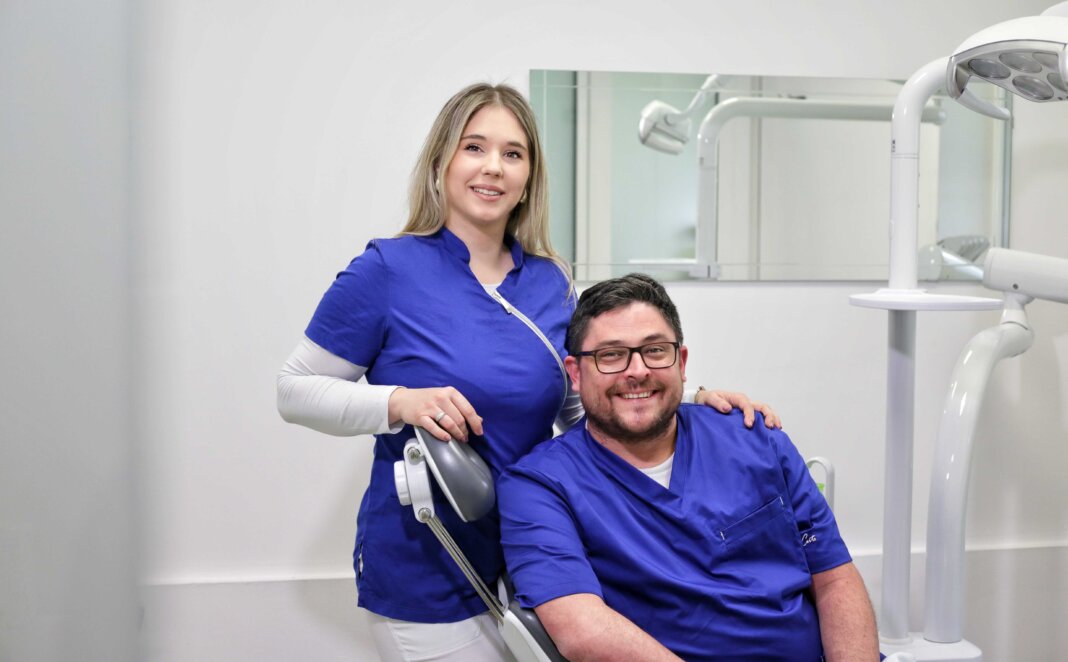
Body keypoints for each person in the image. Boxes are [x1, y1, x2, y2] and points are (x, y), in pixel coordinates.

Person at [276, 83, 781, 662]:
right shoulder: (387, 271)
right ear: (441, 161)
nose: (493, 167)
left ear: (529, 176)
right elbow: (293, 390)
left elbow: (582, 403)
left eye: (513, 153)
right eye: (474, 147)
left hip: (536, 556)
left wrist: (690, 402)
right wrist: (399, 402)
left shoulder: (549, 281)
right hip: (427, 564)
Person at [498, 273, 879, 662]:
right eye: (611, 355)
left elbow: (834, 578)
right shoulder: (539, 487)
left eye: (655, 350)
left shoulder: (755, 438)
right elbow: (581, 630)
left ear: (681, 363)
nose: (637, 370)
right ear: (576, 373)